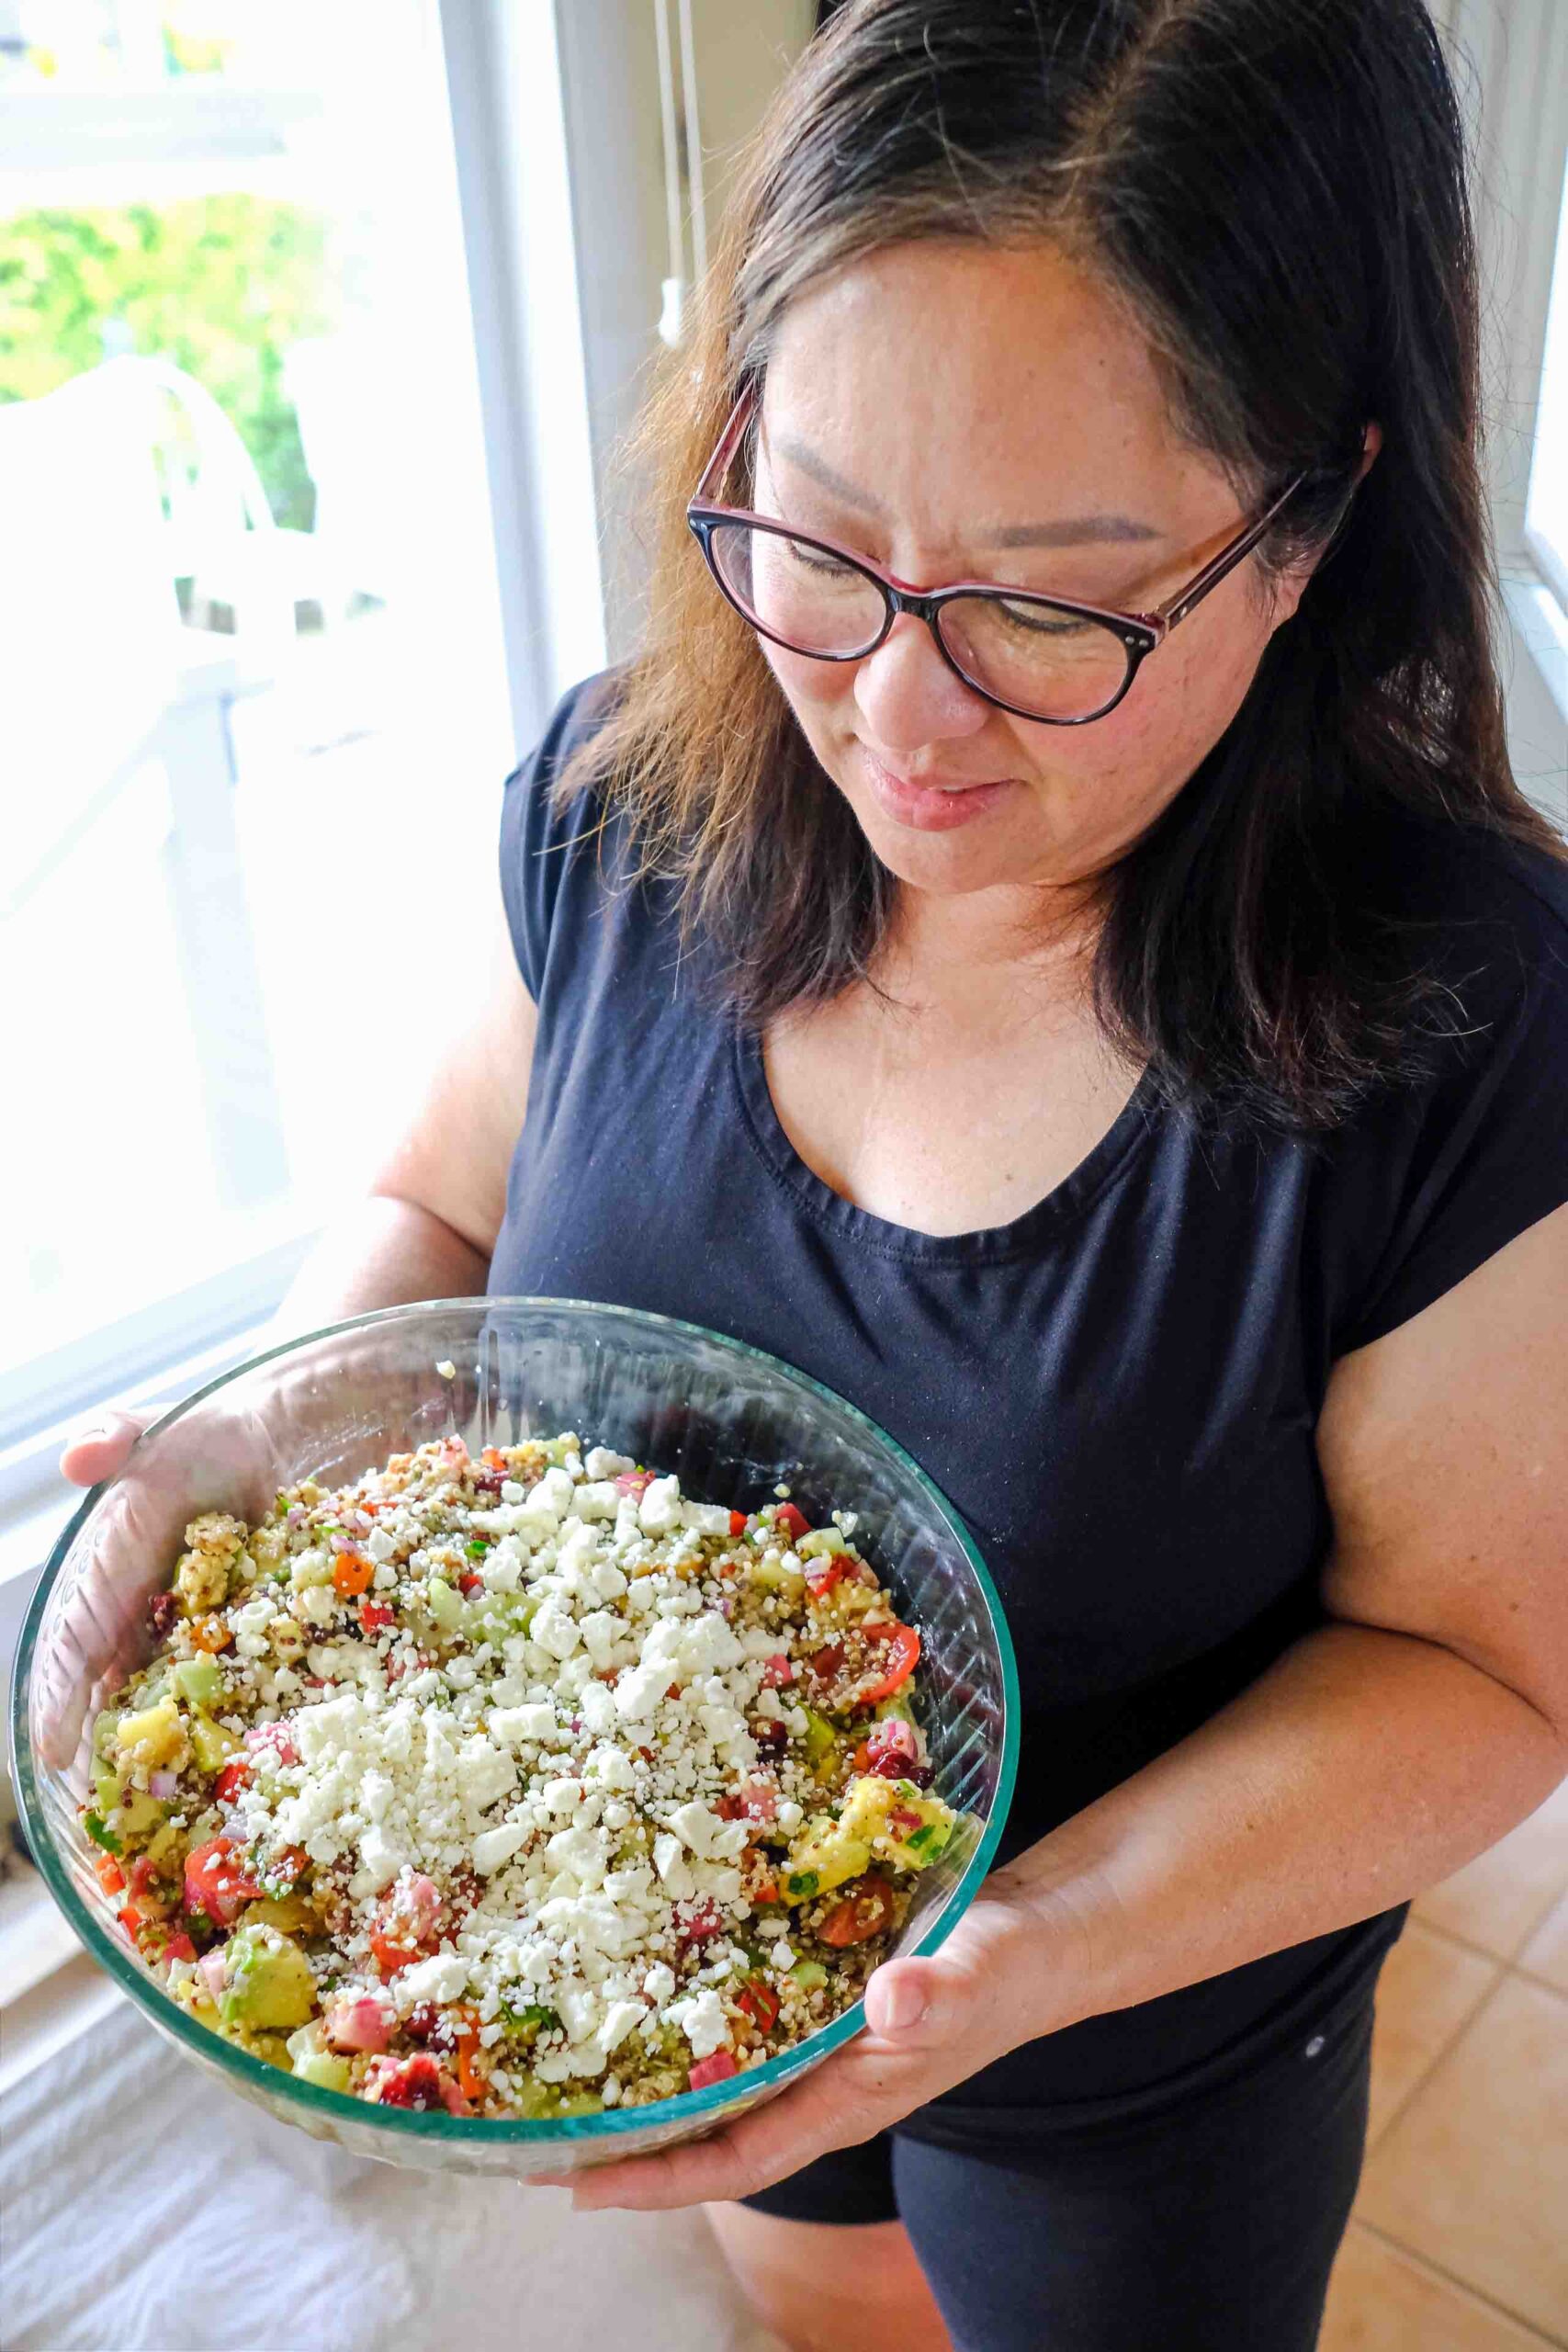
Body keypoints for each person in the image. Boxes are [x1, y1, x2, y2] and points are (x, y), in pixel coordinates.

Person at [66, 3, 1568, 2346]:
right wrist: (262, 1431)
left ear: (1307, 528)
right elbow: (440, 1216)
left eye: (1047, 608)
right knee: (817, 2289)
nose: (889, 707)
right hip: (682, 1906)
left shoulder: (1471, 1012)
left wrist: (1017, 1956)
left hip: (1125, 2031)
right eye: (818, 535)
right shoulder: (621, 798)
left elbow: (1486, 1656)